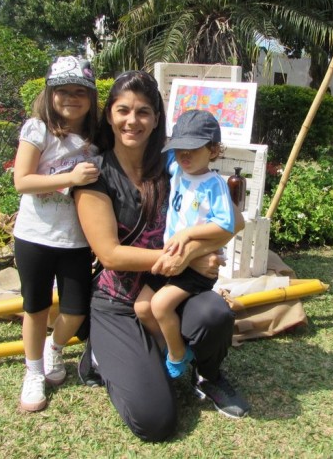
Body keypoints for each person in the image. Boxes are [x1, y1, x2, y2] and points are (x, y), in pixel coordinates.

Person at [74, 71, 250, 442]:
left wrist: (195, 251)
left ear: (156, 119)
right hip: (118, 300)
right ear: (109, 115)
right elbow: (110, 254)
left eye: (143, 112)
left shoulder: (174, 163)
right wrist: (183, 258)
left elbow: (234, 222)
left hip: (170, 287)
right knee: (155, 422)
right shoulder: (95, 173)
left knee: (214, 314)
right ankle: (101, 354)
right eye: (123, 110)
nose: (132, 120)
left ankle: (207, 375)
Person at [13, 56, 100, 412]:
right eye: (63, 90)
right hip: (34, 236)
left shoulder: (96, 139)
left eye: (81, 91)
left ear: (92, 97)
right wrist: (70, 178)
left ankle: (55, 348)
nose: (71, 98)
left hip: (76, 240)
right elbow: (22, 181)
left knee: (76, 311)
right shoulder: (38, 129)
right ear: (49, 94)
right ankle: (33, 371)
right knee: (35, 309)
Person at [134, 110, 235, 380]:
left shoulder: (214, 184)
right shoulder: (178, 169)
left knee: (160, 305)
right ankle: (172, 346)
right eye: (180, 149)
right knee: (142, 307)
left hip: (196, 267)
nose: (185, 155)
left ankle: (177, 356)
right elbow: (153, 148)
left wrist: (188, 234)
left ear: (213, 150)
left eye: (193, 149)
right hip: (172, 258)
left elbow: (226, 224)